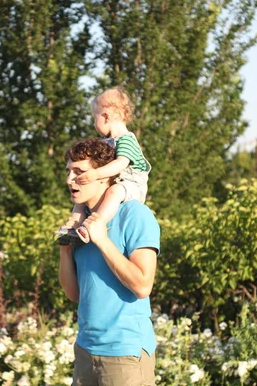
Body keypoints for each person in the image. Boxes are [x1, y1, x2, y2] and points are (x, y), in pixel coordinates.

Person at [58, 138, 161, 386]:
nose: (70, 180)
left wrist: (102, 240)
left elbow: (143, 285)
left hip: (125, 356)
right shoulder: (81, 223)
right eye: (69, 171)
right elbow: (73, 294)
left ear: (105, 176)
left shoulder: (135, 215)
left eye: (79, 172)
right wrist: (65, 249)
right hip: (85, 351)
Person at [58, 86, 151, 244]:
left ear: (106, 117)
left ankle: (96, 224)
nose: (95, 124)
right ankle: (73, 226)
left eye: (95, 119)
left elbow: (121, 163)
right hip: (116, 180)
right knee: (81, 200)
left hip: (132, 183)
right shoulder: (106, 141)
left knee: (113, 192)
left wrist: (96, 174)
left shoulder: (127, 139)